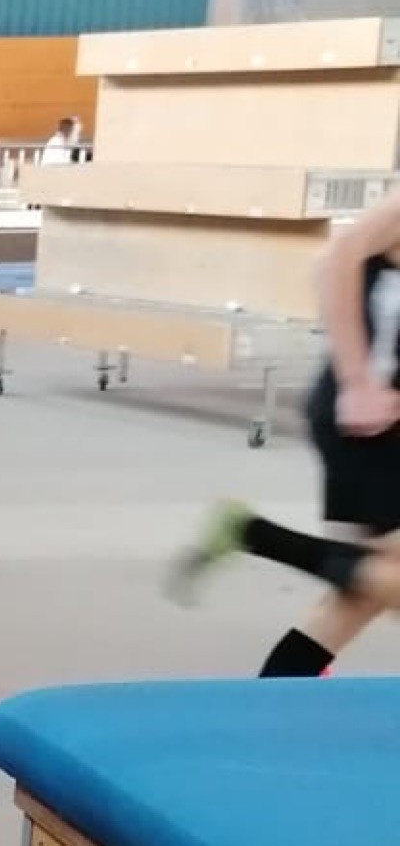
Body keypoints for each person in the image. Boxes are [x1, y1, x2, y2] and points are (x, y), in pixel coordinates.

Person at [168, 187, 400, 676]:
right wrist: (358, 381)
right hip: (369, 421)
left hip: (381, 420)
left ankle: (270, 698)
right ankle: (255, 534)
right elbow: (335, 259)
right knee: (377, 586)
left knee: (358, 598)